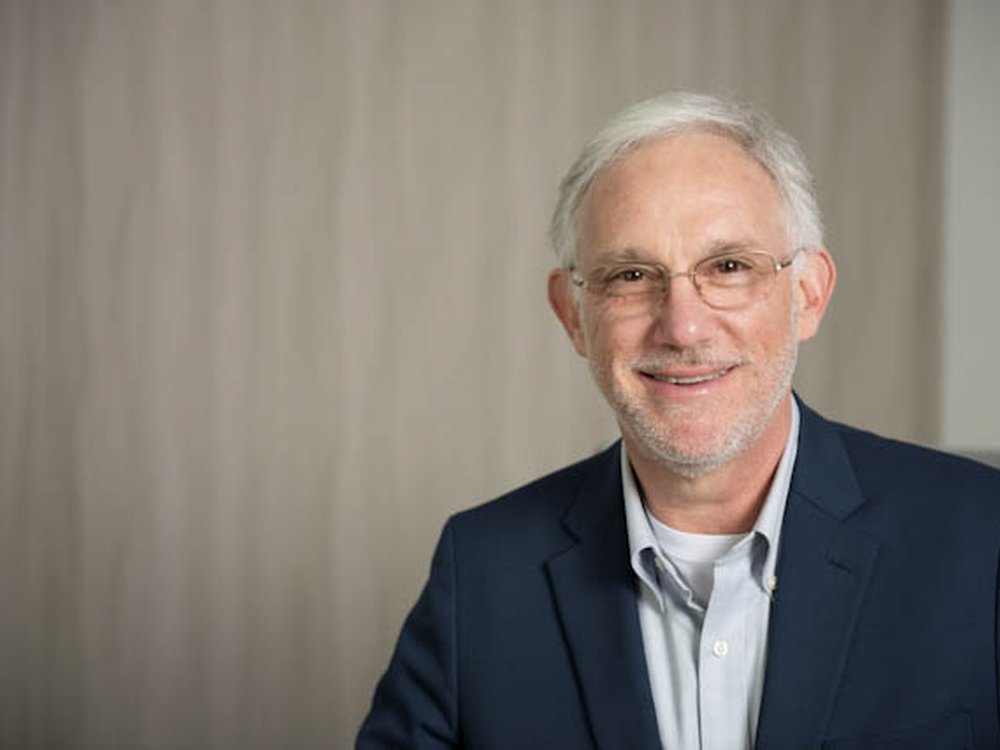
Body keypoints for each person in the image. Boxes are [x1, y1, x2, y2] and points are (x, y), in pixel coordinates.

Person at [356, 92, 1000, 749]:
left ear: (808, 294)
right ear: (573, 315)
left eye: (728, 267)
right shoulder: (484, 572)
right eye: (632, 275)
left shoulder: (982, 538)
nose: (683, 326)